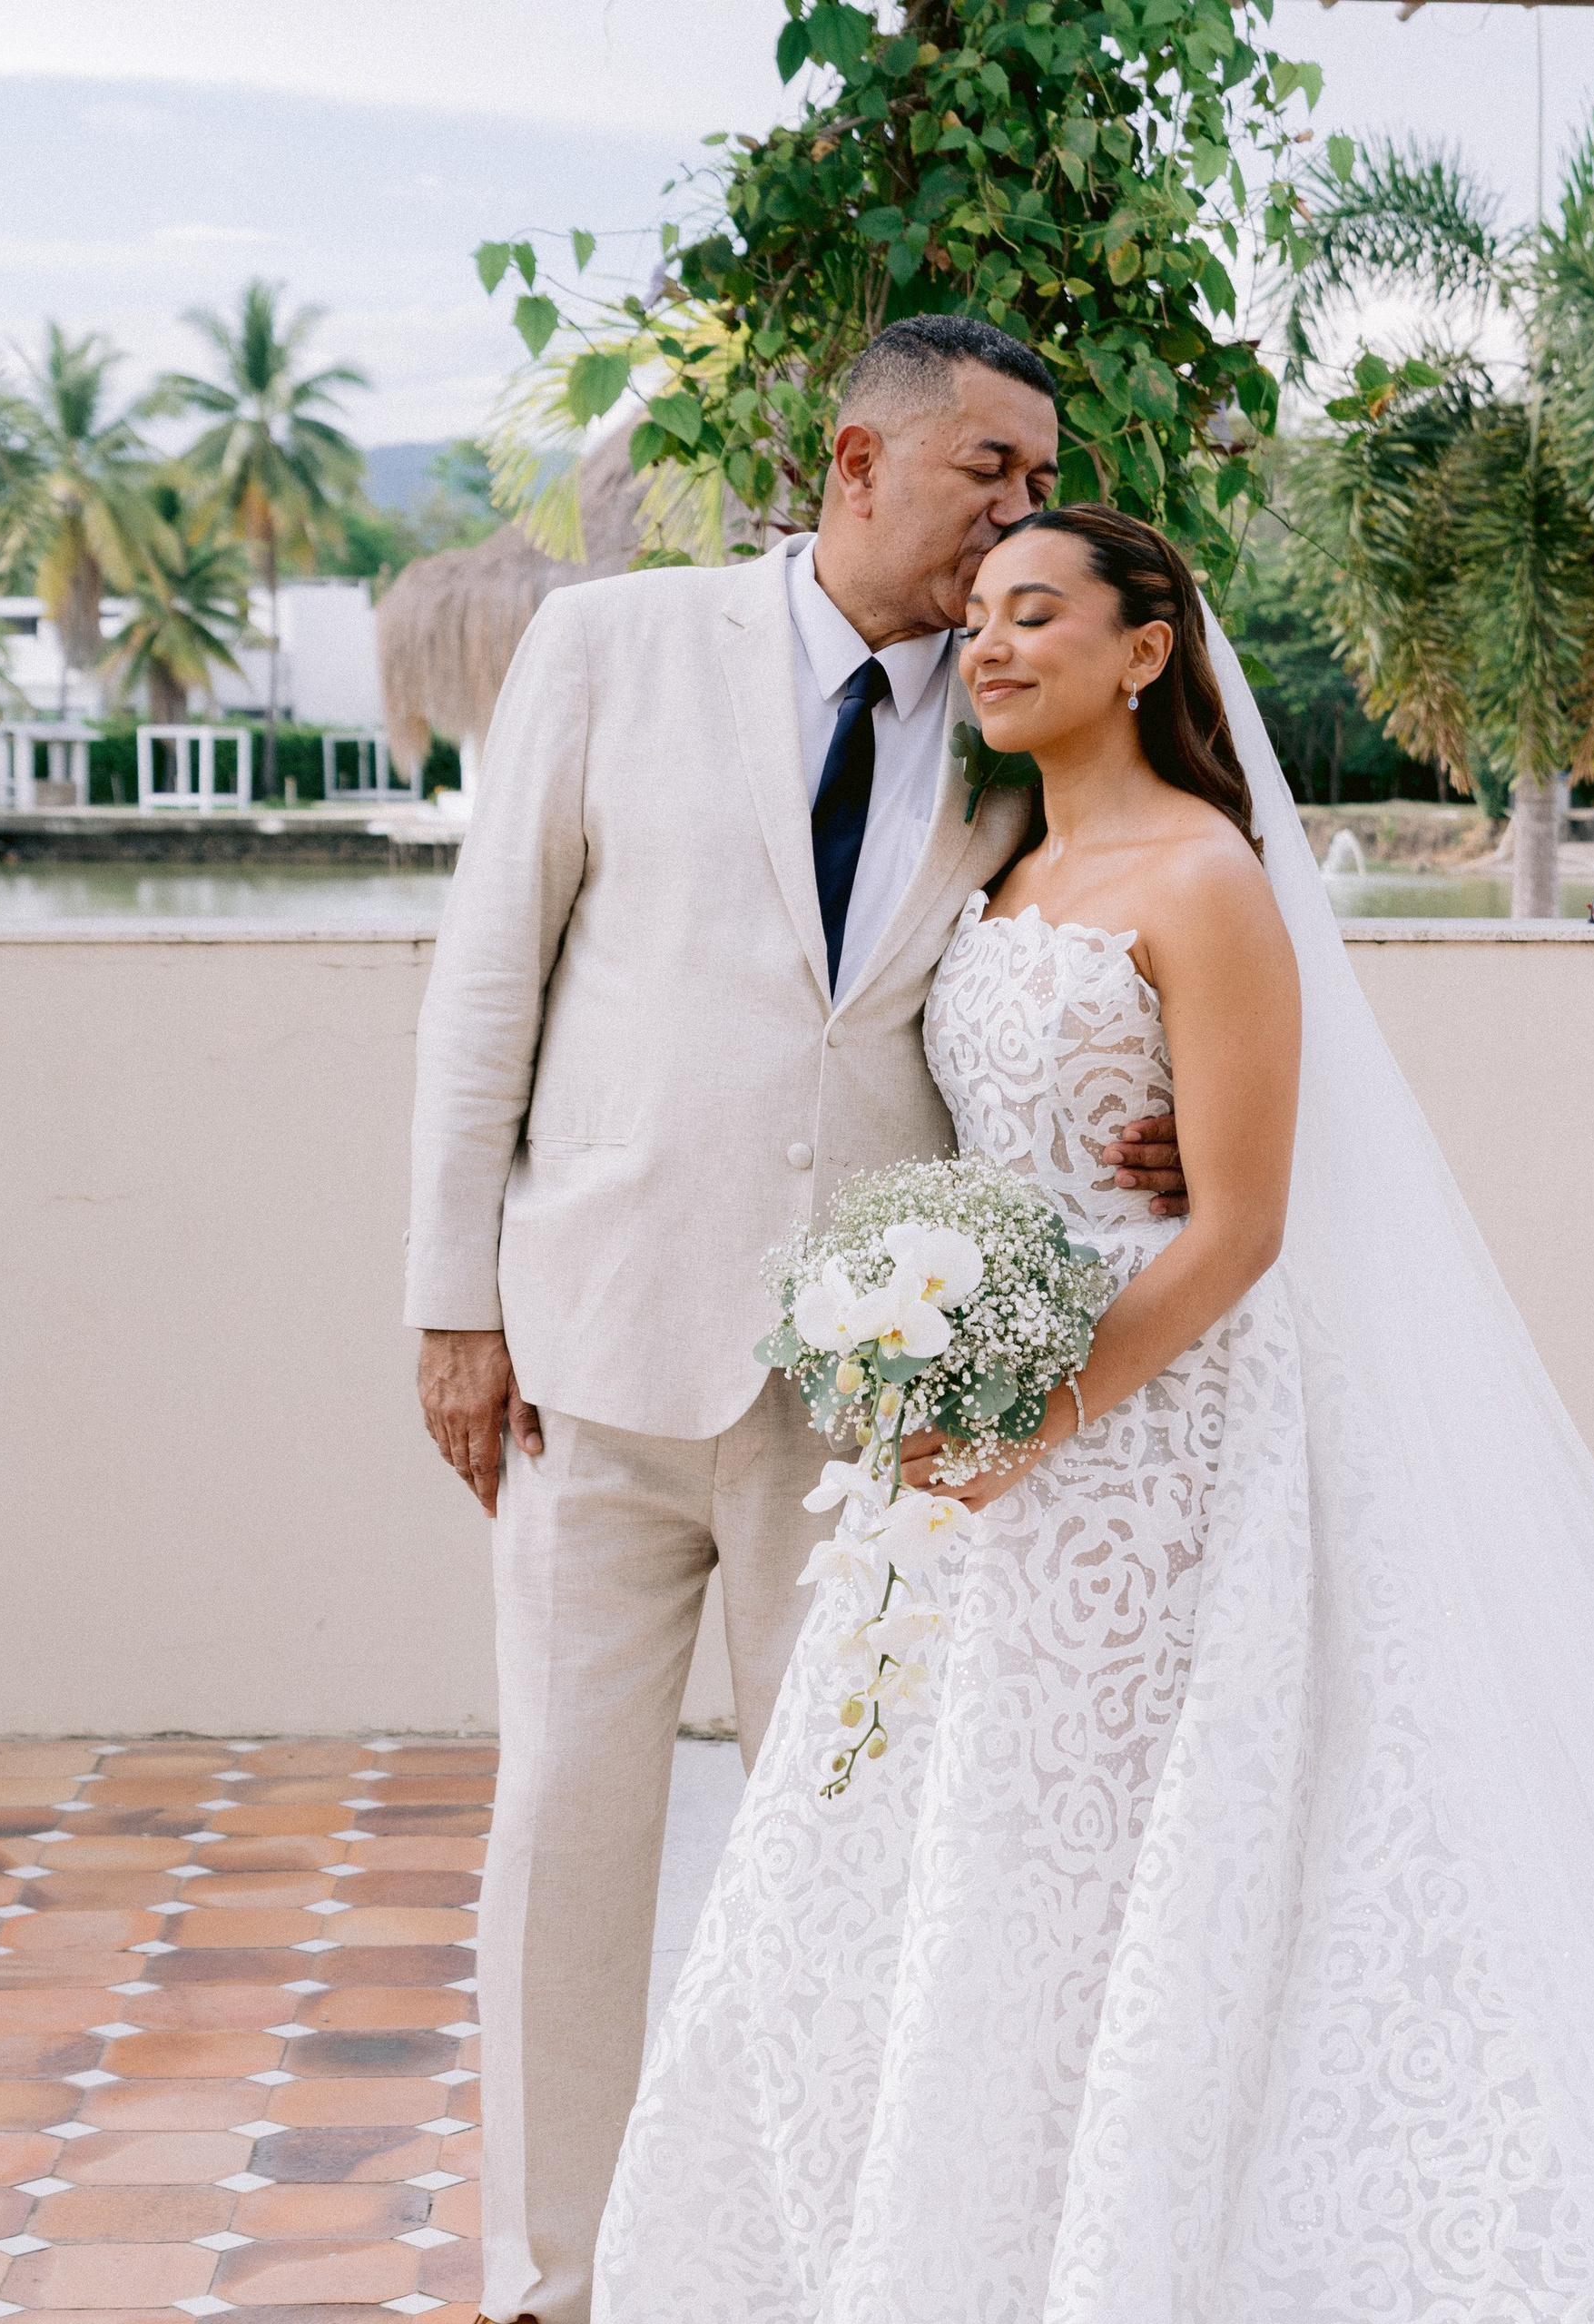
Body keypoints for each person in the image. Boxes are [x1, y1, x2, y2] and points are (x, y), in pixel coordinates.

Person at [594, 505, 1594, 2321]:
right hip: (974, 1454)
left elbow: (1235, 1227)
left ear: (1144, 650)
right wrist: (916, 1352)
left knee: (1132, 1850)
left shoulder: (1203, 880)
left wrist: (1029, 1419)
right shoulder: (990, 870)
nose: (985, 646)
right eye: (975, 618)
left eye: (1031, 615)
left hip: (1141, 1448)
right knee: (986, 1852)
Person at [403, 322, 1184, 2324]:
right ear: (859, 456)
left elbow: (1119, 912)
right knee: (565, 1824)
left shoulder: (1016, 717)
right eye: (988, 468)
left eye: (1040, 480)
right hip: (589, 1345)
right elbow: (486, 982)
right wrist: (451, 1305)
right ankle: (547, 2274)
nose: (1021, 509)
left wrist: (1153, 1107)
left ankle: (812, 2253)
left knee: (842, 1846)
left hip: (866, 1402)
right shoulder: (611, 646)